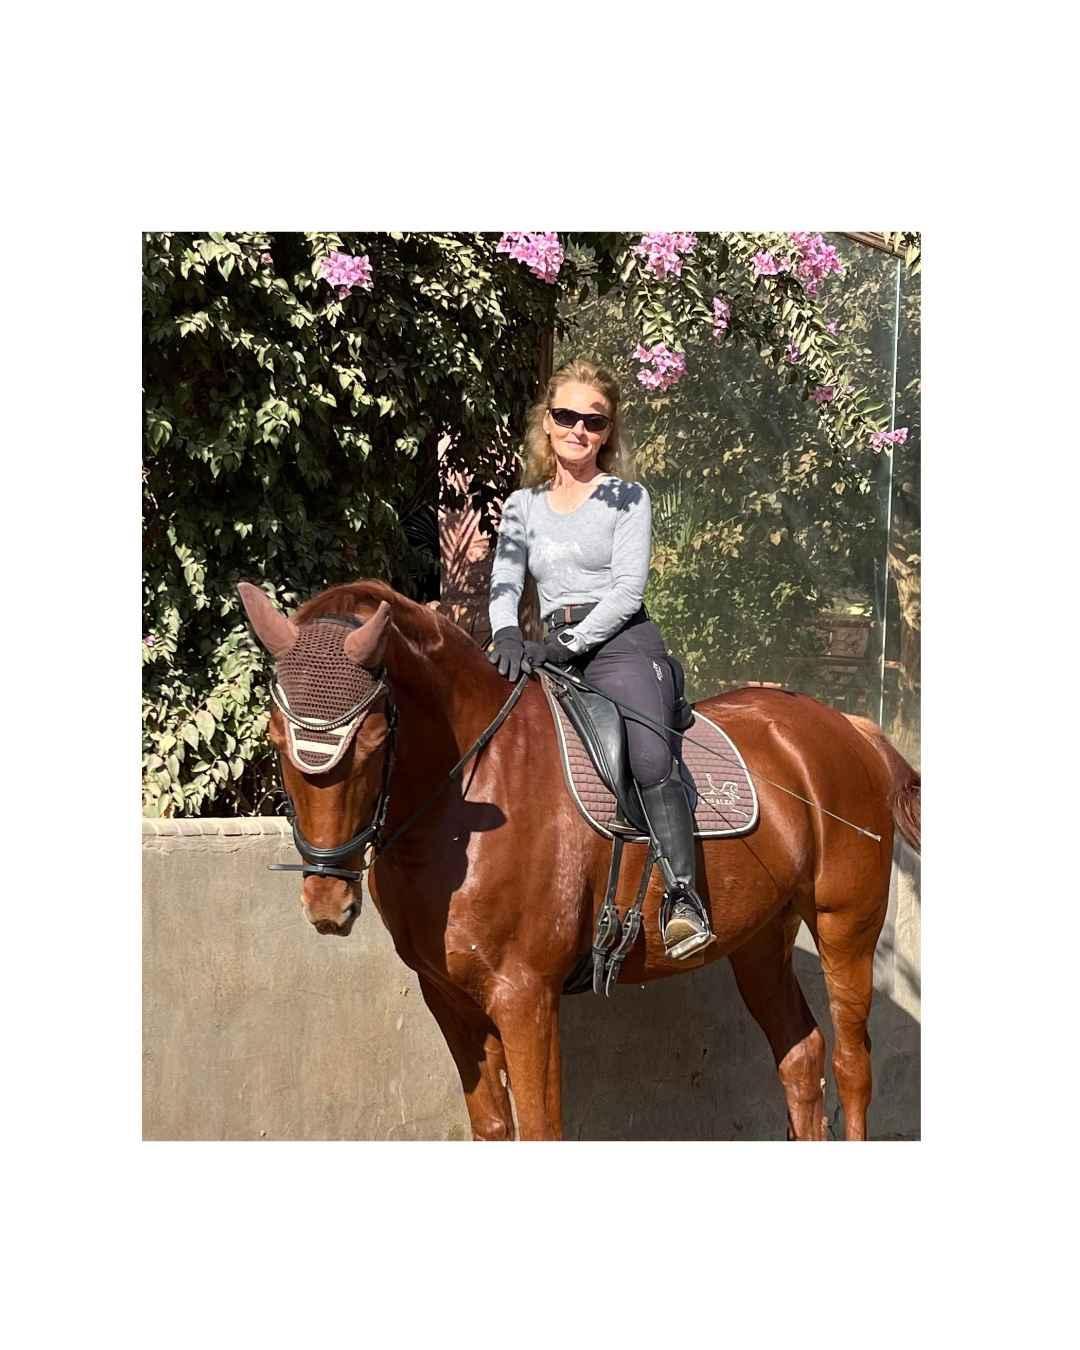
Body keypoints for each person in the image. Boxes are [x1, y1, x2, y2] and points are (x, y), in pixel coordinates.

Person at [487, 356, 715, 960]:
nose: (578, 430)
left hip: (618, 641)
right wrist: (506, 635)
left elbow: (625, 592)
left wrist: (566, 643)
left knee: (645, 753)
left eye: (594, 420)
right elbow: (506, 582)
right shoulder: (521, 506)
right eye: (566, 416)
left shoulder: (625, 498)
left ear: (607, 432)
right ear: (547, 422)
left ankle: (684, 898)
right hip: (541, 647)